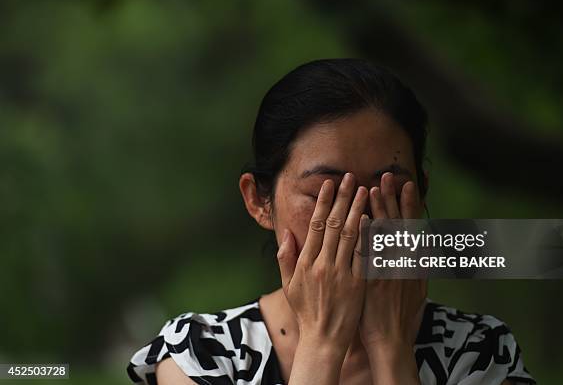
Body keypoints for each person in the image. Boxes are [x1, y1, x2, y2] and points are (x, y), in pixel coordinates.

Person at [127, 59, 536, 384]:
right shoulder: (201, 356)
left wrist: (390, 348)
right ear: (259, 201)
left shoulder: (479, 352)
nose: (356, 220)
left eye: (388, 190)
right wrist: (321, 346)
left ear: (420, 193)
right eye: (325, 193)